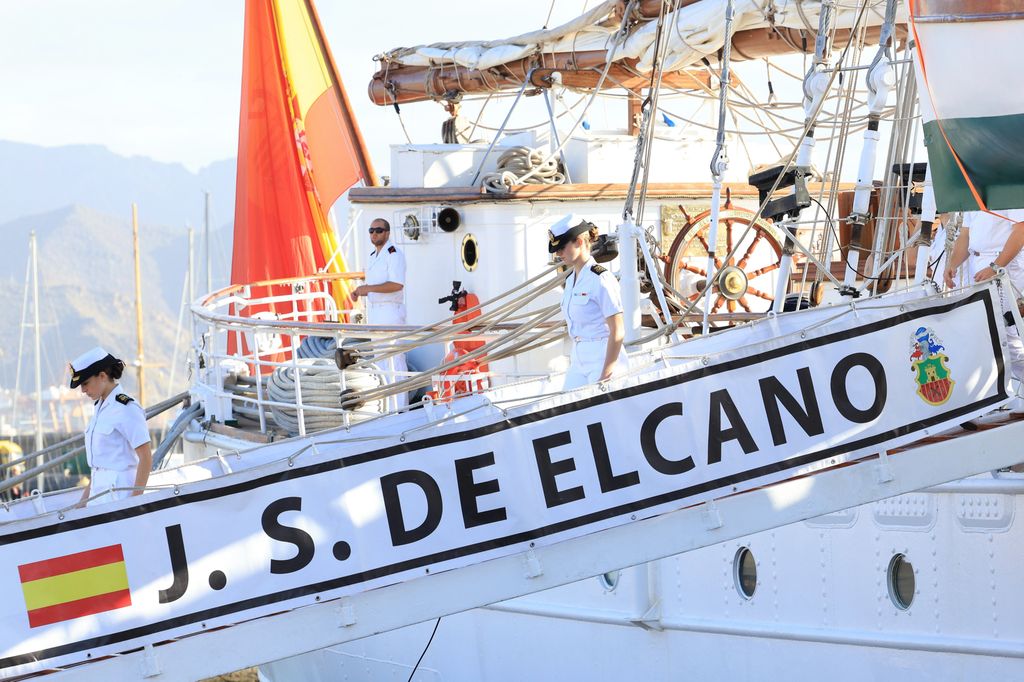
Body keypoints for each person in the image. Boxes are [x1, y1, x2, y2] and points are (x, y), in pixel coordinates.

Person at [944, 208, 1024, 410]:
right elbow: (966, 235)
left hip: (1003, 266)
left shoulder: (1007, 190)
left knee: (1007, 334)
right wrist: (952, 264)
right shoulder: (975, 192)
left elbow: (1021, 229)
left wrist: (996, 266)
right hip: (978, 265)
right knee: (986, 334)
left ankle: (1003, 399)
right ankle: (990, 400)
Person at [549, 214, 628, 390]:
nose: (558, 253)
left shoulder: (601, 279)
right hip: (578, 357)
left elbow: (618, 330)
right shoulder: (570, 281)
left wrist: (606, 375)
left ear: (579, 241)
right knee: (567, 408)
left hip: (602, 356)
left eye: (562, 247)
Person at [70, 347, 152, 507]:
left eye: (85, 383)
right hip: (99, 498)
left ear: (102, 376)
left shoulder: (126, 407)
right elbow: (100, 467)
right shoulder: (99, 408)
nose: (83, 390)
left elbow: (146, 458)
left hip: (121, 497)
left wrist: (134, 504)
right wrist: (81, 504)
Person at [350, 218, 409, 407]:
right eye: (371, 230)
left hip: (390, 312)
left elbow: (397, 284)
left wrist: (367, 289)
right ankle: (387, 406)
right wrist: (362, 290)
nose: (374, 233)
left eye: (378, 230)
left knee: (393, 358)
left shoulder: (394, 254)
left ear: (387, 233)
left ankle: (399, 407)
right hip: (376, 313)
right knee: (380, 360)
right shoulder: (372, 255)